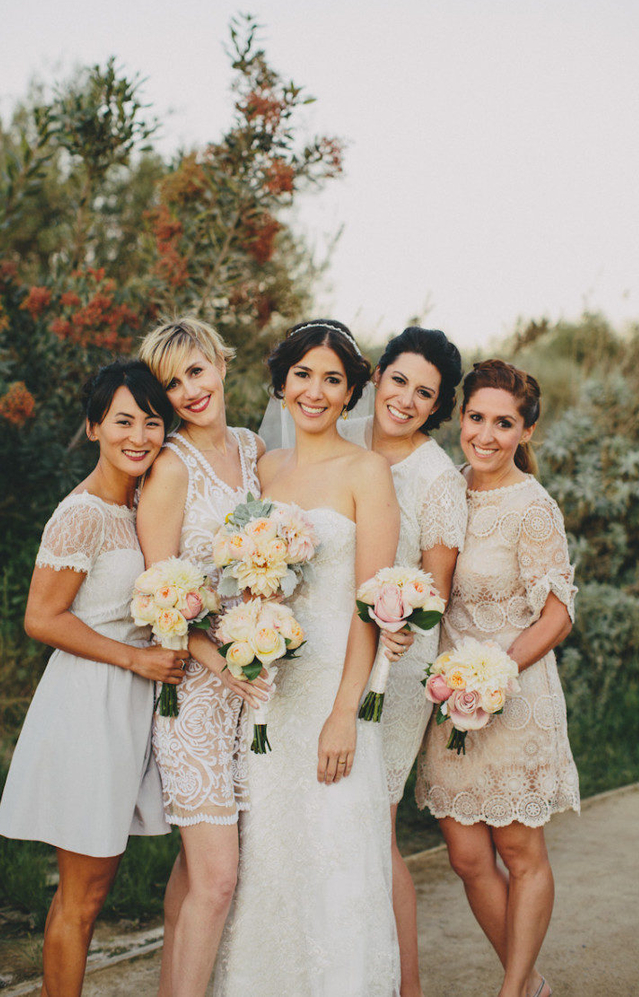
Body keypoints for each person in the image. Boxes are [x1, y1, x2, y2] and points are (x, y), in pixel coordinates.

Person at [214, 319, 404, 997]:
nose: (314, 391)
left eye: (332, 379)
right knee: (270, 855)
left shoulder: (368, 472)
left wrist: (345, 713)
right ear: (281, 382)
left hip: (335, 692)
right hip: (272, 691)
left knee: (337, 856)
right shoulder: (264, 468)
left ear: (351, 391)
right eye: (303, 375)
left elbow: (371, 604)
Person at [0, 360, 184, 997]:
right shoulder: (82, 514)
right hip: (89, 701)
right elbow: (40, 618)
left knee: (97, 886)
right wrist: (135, 659)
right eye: (123, 420)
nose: (138, 435)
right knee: (83, 893)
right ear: (94, 425)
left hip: (130, 701)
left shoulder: (140, 505)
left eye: (152, 421)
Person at [416, 359, 580, 997]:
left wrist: (498, 671)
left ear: (526, 432)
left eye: (503, 423)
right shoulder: (447, 489)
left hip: (514, 698)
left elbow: (558, 612)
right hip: (449, 700)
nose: (486, 434)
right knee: (465, 858)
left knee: (520, 853)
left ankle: (513, 989)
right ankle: (534, 984)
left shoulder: (532, 506)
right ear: (461, 418)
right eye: (477, 417)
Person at [137, 317, 268, 997]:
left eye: (196, 370)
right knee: (218, 878)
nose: (190, 390)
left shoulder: (255, 449)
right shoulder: (169, 468)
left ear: (220, 362)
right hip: (193, 692)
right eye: (171, 382)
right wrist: (223, 665)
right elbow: (158, 596)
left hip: (252, 691)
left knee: (195, 875)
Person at [339, 326, 467, 997]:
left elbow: (434, 596)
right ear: (378, 374)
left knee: (372, 825)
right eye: (400, 381)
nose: (407, 400)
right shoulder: (337, 432)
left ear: (437, 405)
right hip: (324, 654)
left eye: (426, 393)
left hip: (398, 661)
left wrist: (389, 631)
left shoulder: (436, 478)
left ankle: (404, 987)